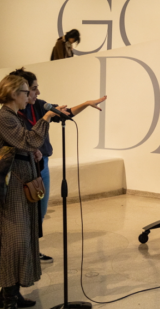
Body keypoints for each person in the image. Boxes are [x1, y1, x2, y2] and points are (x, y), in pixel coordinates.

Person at [0, 74, 68, 309]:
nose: (30, 96)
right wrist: (47, 118)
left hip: (21, 186)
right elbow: (28, 139)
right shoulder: (3, 118)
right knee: (13, 241)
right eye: (26, 91)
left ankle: (13, 293)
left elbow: (23, 144)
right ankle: (8, 304)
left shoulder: (13, 117)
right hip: (12, 188)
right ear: (13, 93)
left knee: (22, 239)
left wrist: (32, 151)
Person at [11, 68, 107, 264]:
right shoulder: (11, 113)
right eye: (35, 88)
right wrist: (30, 151)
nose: (38, 93)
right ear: (23, 90)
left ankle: (33, 249)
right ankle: (21, 252)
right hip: (22, 167)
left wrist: (87, 104)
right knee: (24, 212)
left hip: (41, 165)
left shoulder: (39, 106)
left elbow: (66, 112)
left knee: (40, 211)